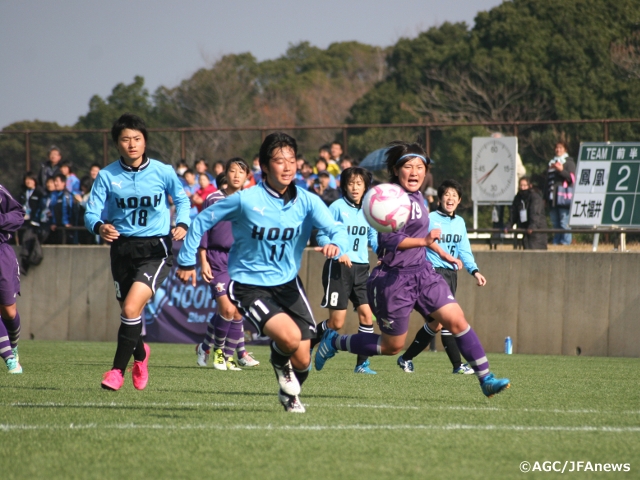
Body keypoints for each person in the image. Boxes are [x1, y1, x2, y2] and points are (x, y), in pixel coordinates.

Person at [315, 141, 511, 398]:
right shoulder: (385, 198)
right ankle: (333, 341)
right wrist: (424, 242)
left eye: (420, 166)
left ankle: (486, 379)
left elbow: (425, 233)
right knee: (391, 346)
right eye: (409, 166)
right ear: (396, 170)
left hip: (424, 273)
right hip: (394, 280)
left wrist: (442, 253)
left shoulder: (419, 196)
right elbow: (387, 241)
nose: (415, 171)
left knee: (457, 320)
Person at [176, 132, 348, 413]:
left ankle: (288, 394)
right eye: (279, 161)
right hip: (248, 284)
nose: (287, 166)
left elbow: (335, 228)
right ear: (265, 167)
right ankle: (280, 363)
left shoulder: (307, 200)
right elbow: (203, 220)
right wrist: (186, 261)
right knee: (290, 338)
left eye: (291, 160)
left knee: (304, 359)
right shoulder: (245, 200)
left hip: (288, 284)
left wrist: (336, 244)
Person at [84, 113, 190, 391]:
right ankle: (141, 356)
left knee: (132, 308)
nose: (132, 144)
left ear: (145, 142)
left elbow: (182, 199)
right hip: (122, 249)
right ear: (117, 144)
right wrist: (99, 226)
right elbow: (91, 211)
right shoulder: (107, 175)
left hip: (156, 249)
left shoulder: (163, 171)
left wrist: (183, 222)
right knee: (128, 313)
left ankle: (117, 371)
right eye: (125, 139)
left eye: (137, 139)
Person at [397, 179, 486, 375]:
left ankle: (405, 358)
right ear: (439, 199)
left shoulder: (460, 222)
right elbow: (416, 240)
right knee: (446, 320)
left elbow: (464, 250)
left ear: (459, 200)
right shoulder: (430, 218)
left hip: (451, 275)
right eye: (447, 195)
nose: (450, 198)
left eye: (454, 195)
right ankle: (457, 365)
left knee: (435, 324)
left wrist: (475, 271)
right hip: (432, 272)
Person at [311, 167, 378, 374]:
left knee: (367, 316)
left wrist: (384, 254)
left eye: (359, 183)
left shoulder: (369, 209)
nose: (355, 187)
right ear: (344, 186)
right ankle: (305, 344)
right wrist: (338, 251)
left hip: (361, 270)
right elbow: (322, 235)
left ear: (366, 186)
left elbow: (374, 236)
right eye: (351, 183)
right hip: (339, 269)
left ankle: (361, 364)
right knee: (336, 323)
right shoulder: (337, 207)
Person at [194, 158, 260, 371]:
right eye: (232, 171)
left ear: (247, 177)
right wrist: (203, 260)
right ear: (226, 173)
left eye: (241, 172)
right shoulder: (213, 199)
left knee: (237, 312)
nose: (236, 175)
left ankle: (226, 355)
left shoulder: (250, 201)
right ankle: (219, 353)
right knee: (226, 307)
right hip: (216, 258)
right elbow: (203, 229)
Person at [0, 184, 25, 374]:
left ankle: (13, 347)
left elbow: (18, 214)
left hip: (2, 255)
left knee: (9, 311)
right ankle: (9, 358)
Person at [544, 141, 576, 245]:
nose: (558, 150)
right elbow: (547, 181)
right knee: (555, 222)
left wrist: (561, 170)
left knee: (564, 221)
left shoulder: (569, 162)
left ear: (565, 149)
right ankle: (556, 241)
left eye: (561, 148)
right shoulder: (551, 163)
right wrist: (545, 196)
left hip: (563, 197)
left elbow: (572, 178)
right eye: (557, 148)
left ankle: (565, 242)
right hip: (552, 197)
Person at [509, 177, 547, 250]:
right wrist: (509, 224)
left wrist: (532, 226)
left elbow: (535, 213)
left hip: (537, 231)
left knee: (535, 253)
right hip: (526, 230)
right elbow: (513, 213)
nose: (522, 188)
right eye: (521, 185)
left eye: (524, 185)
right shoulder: (518, 198)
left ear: (530, 186)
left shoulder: (535, 197)